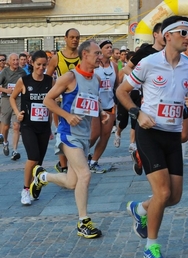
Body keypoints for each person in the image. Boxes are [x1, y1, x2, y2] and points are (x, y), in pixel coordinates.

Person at [116, 16, 188, 258]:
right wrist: (137, 113)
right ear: (167, 36)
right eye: (183, 33)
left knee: (174, 197)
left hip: (172, 135)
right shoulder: (148, 63)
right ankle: (151, 247)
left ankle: (140, 209)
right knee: (162, 192)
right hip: (149, 133)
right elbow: (122, 91)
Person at [29, 40, 109, 239]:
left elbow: (91, 100)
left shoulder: (96, 79)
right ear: (85, 55)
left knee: (73, 182)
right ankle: (83, 222)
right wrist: (66, 116)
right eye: (97, 53)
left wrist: (100, 112)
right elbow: (47, 100)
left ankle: (42, 177)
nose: (100, 56)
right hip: (68, 134)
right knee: (85, 175)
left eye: (101, 53)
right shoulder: (70, 77)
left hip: (84, 135)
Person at [119, 22, 165, 175]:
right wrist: (139, 81)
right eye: (163, 33)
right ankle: (143, 156)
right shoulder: (146, 51)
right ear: (155, 35)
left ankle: (142, 154)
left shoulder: (170, 52)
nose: (166, 36)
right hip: (146, 95)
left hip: (165, 95)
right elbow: (127, 67)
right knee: (149, 125)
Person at [10, 50, 53, 205]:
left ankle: (36, 186)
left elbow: (53, 103)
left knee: (39, 161)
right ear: (32, 63)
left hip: (44, 126)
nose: (41, 68)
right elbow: (13, 98)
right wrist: (17, 113)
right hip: (28, 125)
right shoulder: (24, 81)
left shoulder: (49, 81)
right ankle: (25, 189)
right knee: (32, 157)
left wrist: (52, 125)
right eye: (38, 65)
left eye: (44, 65)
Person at [46, 28, 81, 173]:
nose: (74, 40)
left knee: (80, 132)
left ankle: (77, 160)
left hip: (79, 100)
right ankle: (64, 166)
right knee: (62, 132)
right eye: (72, 37)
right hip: (62, 101)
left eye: (77, 37)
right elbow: (48, 77)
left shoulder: (82, 55)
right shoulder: (57, 57)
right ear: (65, 38)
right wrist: (55, 90)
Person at [88, 40, 119, 173]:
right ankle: (77, 155)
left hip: (109, 104)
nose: (110, 49)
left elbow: (117, 85)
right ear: (100, 50)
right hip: (96, 105)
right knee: (94, 134)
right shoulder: (94, 66)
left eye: (111, 47)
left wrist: (117, 102)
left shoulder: (114, 65)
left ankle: (94, 161)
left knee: (105, 135)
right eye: (107, 47)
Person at [0, 53, 26, 160]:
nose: (16, 62)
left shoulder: (22, 72)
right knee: (5, 126)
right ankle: (5, 142)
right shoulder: (4, 72)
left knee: (16, 126)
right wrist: (6, 90)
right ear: (9, 62)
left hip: (18, 99)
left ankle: (15, 151)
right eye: (13, 60)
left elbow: (26, 85)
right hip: (6, 99)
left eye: (17, 60)